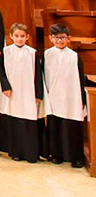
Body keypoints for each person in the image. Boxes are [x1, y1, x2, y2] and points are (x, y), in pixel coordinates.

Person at [0, 22, 43, 163]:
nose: (20, 39)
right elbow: (1, 70)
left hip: (28, 92)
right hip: (13, 91)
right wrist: (5, 86)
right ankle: (15, 152)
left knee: (28, 121)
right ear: (11, 36)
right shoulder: (6, 51)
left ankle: (30, 153)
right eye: (16, 36)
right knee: (15, 121)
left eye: (22, 36)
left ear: (27, 37)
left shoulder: (32, 53)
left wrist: (38, 94)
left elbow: (38, 75)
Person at [44, 23, 87, 168]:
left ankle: (76, 157)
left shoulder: (74, 56)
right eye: (56, 38)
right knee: (55, 126)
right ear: (51, 38)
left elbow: (80, 78)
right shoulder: (47, 54)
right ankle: (56, 155)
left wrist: (81, 98)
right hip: (54, 95)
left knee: (73, 126)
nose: (59, 41)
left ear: (68, 38)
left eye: (62, 38)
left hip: (71, 96)